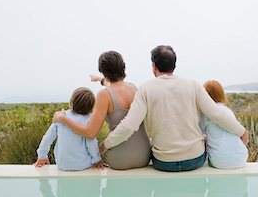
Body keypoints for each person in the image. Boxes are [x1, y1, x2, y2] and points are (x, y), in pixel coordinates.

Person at [100, 45, 249, 172]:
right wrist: (241, 131)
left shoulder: (145, 89)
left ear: (154, 66)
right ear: (174, 65)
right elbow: (217, 114)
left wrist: (106, 144)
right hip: (195, 160)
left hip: (164, 163)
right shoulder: (194, 85)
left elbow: (129, 125)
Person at [53, 51, 151, 170]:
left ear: (103, 71)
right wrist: (100, 80)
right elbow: (115, 88)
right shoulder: (134, 88)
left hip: (121, 159)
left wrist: (63, 119)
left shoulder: (104, 95)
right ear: (123, 67)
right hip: (144, 156)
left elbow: (90, 132)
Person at [34, 87, 103, 171]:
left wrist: (42, 156)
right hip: (83, 165)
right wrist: (97, 160)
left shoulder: (60, 117)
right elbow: (91, 143)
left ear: (72, 102)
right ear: (91, 105)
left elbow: (47, 139)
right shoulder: (89, 120)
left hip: (62, 164)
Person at [200, 80, 248, 169]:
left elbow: (200, 133)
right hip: (241, 158)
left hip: (219, 161)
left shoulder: (205, 114)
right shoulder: (228, 111)